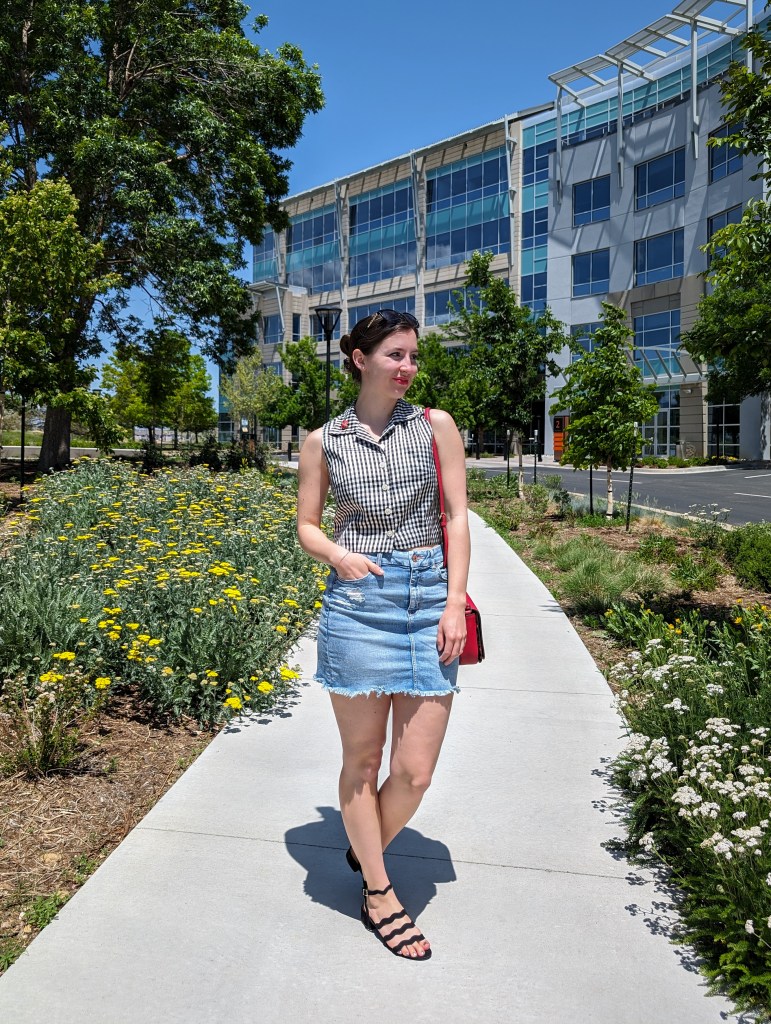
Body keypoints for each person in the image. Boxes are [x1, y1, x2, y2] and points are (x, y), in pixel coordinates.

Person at [296, 308, 470, 961]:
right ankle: (378, 892)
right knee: (363, 764)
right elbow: (307, 525)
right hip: (359, 599)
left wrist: (453, 602)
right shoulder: (324, 441)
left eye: (413, 357)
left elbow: (456, 515)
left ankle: (362, 837)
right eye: (395, 355)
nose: (407, 368)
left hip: (429, 596)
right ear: (358, 357)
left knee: (413, 772)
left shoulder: (434, 427)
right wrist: (335, 556)